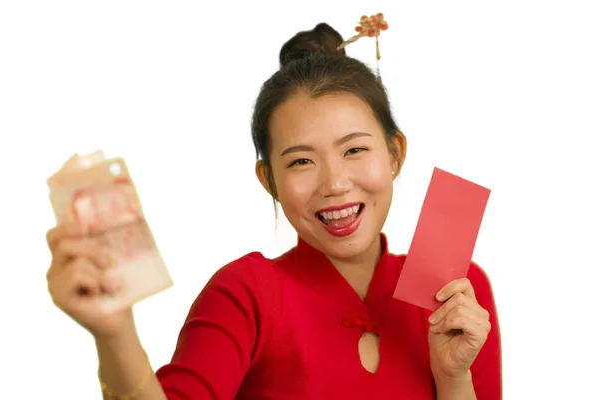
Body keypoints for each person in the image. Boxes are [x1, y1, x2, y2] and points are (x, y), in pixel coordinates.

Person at [46, 22, 502, 399]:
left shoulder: (456, 291)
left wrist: (452, 377)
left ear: (395, 154)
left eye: (355, 150)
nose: (334, 184)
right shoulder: (246, 294)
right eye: (301, 161)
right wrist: (114, 331)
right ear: (269, 180)